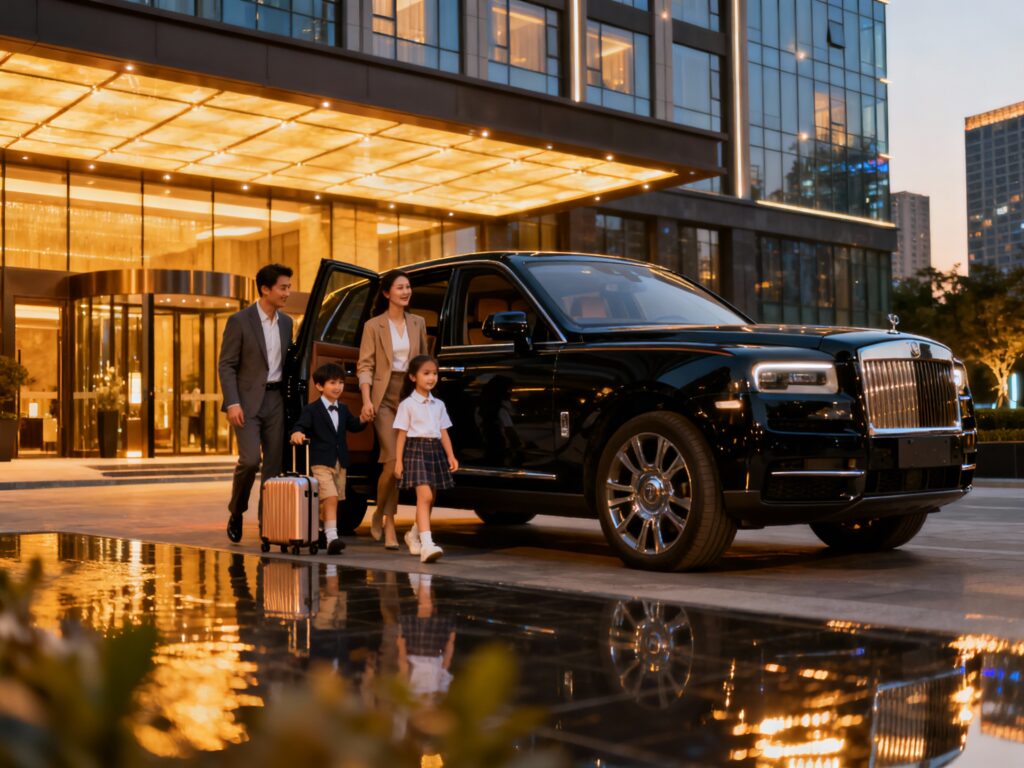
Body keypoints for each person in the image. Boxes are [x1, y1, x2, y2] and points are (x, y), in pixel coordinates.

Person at [218, 263, 294, 544]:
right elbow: (226, 365)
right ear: (265, 289)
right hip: (247, 403)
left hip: (276, 401)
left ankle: (268, 525)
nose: (288, 292)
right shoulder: (240, 321)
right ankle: (237, 510)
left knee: (273, 467)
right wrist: (233, 402)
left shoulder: (287, 323)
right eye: (283, 287)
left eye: (288, 287)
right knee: (250, 460)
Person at [356, 270, 429, 550]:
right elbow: (365, 366)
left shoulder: (418, 322)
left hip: (408, 398)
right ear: (387, 293)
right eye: (400, 287)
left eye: (408, 287)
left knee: (401, 465)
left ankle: (379, 513)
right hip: (383, 398)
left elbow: (422, 362)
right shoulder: (374, 326)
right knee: (391, 461)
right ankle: (388, 525)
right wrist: (366, 399)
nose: (405, 291)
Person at [289, 362, 369, 555]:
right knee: (330, 497)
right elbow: (300, 425)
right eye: (332, 382)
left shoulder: (343, 409)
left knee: (329, 500)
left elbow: (354, 426)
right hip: (320, 462)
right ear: (319, 386)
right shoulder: (312, 409)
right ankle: (333, 537)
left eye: (341, 382)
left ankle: (317, 531)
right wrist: (297, 433)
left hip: (340, 462)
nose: (338, 387)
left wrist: (364, 419)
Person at [393, 355, 458, 563]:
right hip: (415, 450)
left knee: (430, 499)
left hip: (435, 450)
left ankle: (413, 534)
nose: (431, 378)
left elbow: (443, 431)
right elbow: (401, 434)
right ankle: (427, 544)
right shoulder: (407, 404)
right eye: (426, 373)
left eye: (434, 373)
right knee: (425, 497)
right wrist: (398, 461)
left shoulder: (438, 404)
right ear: (413, 377)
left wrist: (450, 455)